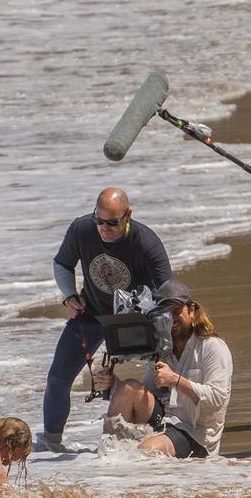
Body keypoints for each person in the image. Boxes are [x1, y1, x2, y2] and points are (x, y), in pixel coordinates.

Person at [41, 187, 172, 452]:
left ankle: (169, 431)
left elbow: (169, 292)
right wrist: (69, 296)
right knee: (58, 378)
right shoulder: (82, 229)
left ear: (127, 216)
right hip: (92, 314)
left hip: (137, 321)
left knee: (163, 375)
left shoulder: (146, 242)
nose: (104, 228)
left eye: (112, 222)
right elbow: (62, 263)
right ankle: (50, 443)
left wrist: (165, 327)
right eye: (99, 221)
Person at [96, 279, 233, 458]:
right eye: (164, 313)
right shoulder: (163, 350)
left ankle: (133, 466)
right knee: (129, 389)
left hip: (196, 433)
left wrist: (175, 380)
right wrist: (111, 383)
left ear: (191, 311)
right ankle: (106, 459)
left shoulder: (212, 347)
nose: (171, 318)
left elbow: (216, 400)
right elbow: (146, 394)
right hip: (166, 421)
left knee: (147, 451)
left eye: (176, 311)